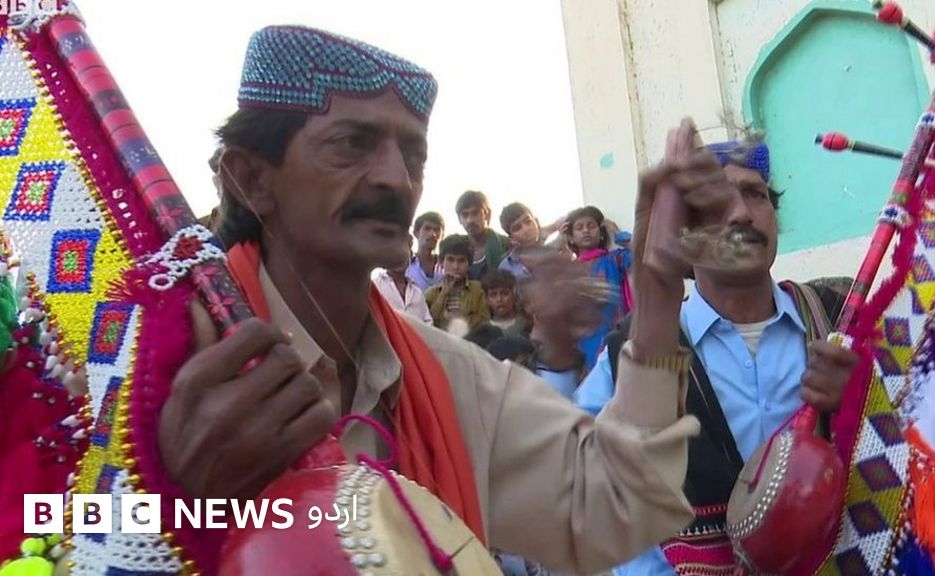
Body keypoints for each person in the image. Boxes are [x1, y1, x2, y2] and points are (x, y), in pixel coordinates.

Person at [8, 25, 712, 576]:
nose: (396, 179)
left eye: (414, 155)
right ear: (251, 178)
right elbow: (32, 534)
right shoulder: (146, 360)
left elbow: (615, 504)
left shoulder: (443, 375)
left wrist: (655, 293)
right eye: (352, 144)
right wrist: (178, 499)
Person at [574, 136, 868, 575]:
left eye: (756, 195)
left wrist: (863, 401)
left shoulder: (843, 318)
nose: (742, 213)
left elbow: (930, 452)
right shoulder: (630, 356)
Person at [565, 205, 633, 370]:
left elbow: (643, 255)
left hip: (616, 332)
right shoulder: (567, 270)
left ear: (601, 232)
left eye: (591, 226)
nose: (586, 231)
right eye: (579, 227)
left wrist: (619, 234)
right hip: (584, 340)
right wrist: (559, 239)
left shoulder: (614, 259)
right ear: (571, 237)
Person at [425, 235, 490, 331]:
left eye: (461, 261)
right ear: (441, 262)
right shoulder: (431, 294)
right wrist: (443, 294)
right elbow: (427, 324)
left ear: (469, 263)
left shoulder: (478, 290)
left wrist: (459, 320)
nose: (455, 266)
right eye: (450, 260)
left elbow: (484, 322)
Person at [371, 244, 432, 324]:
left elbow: (428, 322)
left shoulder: (417, 292)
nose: (398, 259)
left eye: (403, 254)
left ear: (410, 258)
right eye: (393, 254)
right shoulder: (376, 287)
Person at [456, 190, 508, 280]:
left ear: (487, 214)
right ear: (459, 219)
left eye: (475, 213)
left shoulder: (506, 245)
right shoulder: (455, 250)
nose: (470, 220)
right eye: (465, 215)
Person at [481, 269, 531, 338]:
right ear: (487, 299)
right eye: (493, 295)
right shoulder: (483, 332)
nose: (499, 299)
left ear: (514, 295)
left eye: (504, 293)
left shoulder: (528, 325)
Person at [408, 211, 445, 291]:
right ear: (416, 233)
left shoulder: (447, 266)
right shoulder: (406, 266)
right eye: (427, 229)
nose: (433, 234)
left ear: (442, 236)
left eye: (437, 230)